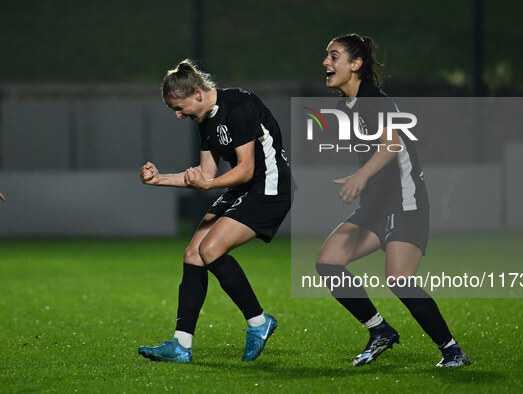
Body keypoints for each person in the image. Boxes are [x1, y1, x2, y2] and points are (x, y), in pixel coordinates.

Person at [316, 34, 470, 367]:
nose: (326, 63)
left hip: (405, 202)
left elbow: (392, 143)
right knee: (328, 261)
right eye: (327, 57)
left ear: (355, 65)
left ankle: (452, 350)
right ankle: (379, 330)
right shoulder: (349, 105)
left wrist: (360, 177)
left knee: (399, 279)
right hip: (375, 206)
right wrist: (362, 178)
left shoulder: (373, 99)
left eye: (334, 56)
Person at [137, 59, 292, 363]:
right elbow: (205, 173)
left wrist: (208, 186)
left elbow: (246, 170)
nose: (178, 115)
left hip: (269, 187)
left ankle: (259, 323)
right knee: (193, 254)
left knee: (210, 249)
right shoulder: (205, 120)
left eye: (179, 107)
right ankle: (181, 345)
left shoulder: (240, 105)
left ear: (197, 93)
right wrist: (159, 180)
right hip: (244, 187)